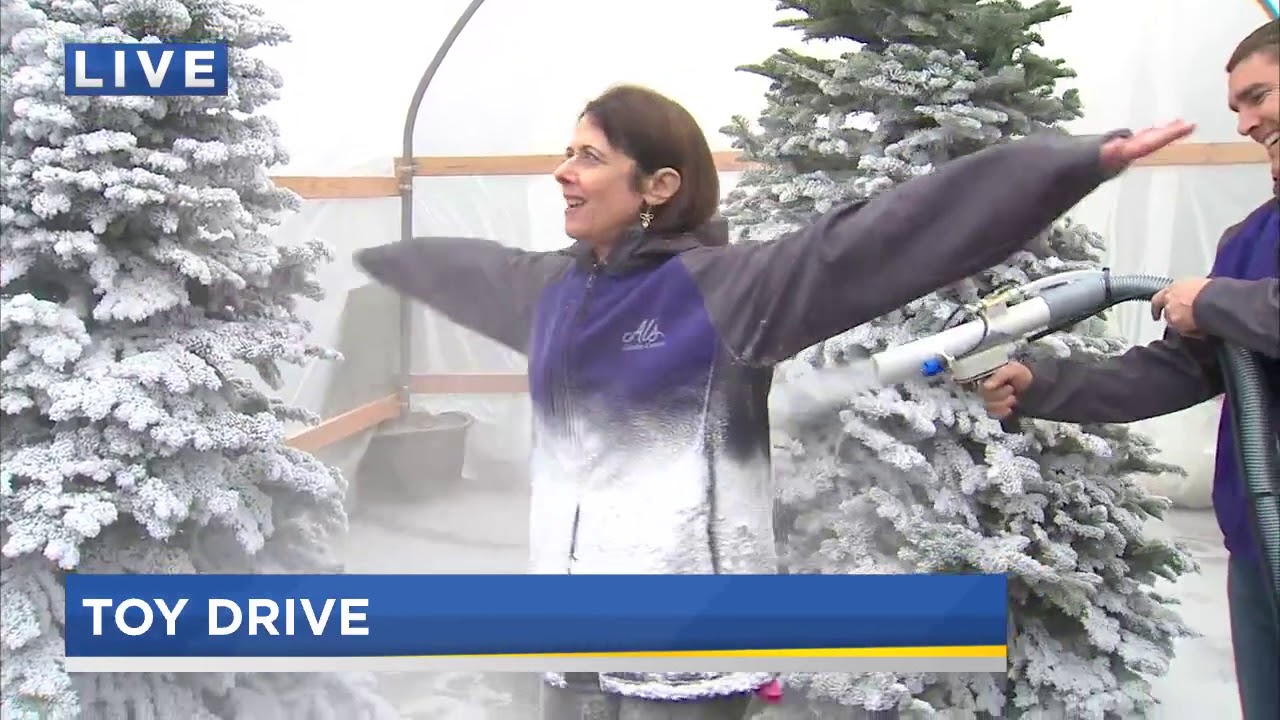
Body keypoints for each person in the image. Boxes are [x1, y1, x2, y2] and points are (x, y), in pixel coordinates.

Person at [355, 83, 1191, 719]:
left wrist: (1069, 161)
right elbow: (467, 268)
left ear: (657, 185)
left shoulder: (728, 290)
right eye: (567, 153)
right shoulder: (556, 292)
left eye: (589, 156)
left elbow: (882, 238)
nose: (563, 172)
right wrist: (373, 250)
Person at [979, 20, 1279, 720]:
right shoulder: (1252, 239)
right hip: (1261, 551)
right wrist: (1042, 384)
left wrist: (1217, 300)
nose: (1244, 122)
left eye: (1258, 96)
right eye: (1235, 107)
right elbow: (1180, 370)